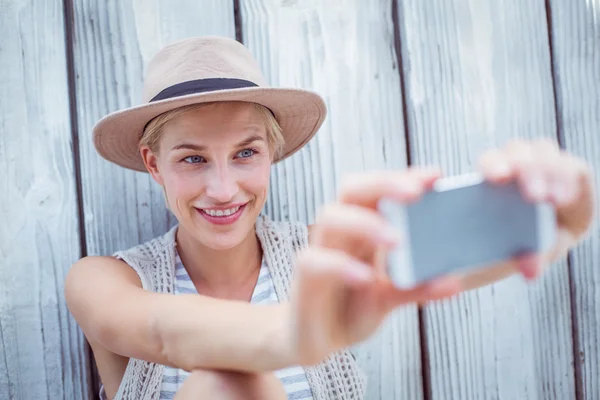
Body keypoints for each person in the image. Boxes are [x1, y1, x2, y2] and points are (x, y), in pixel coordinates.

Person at [64, 36, 595, 400]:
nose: (223, 189)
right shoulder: (104, 280)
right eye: (193, 158)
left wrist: (559, 222)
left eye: (246, 153)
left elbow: (432, 264)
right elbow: (163, 334)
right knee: (225, 385)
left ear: (271, 155)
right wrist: (298, 333)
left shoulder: (322, 258)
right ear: (154, 164)